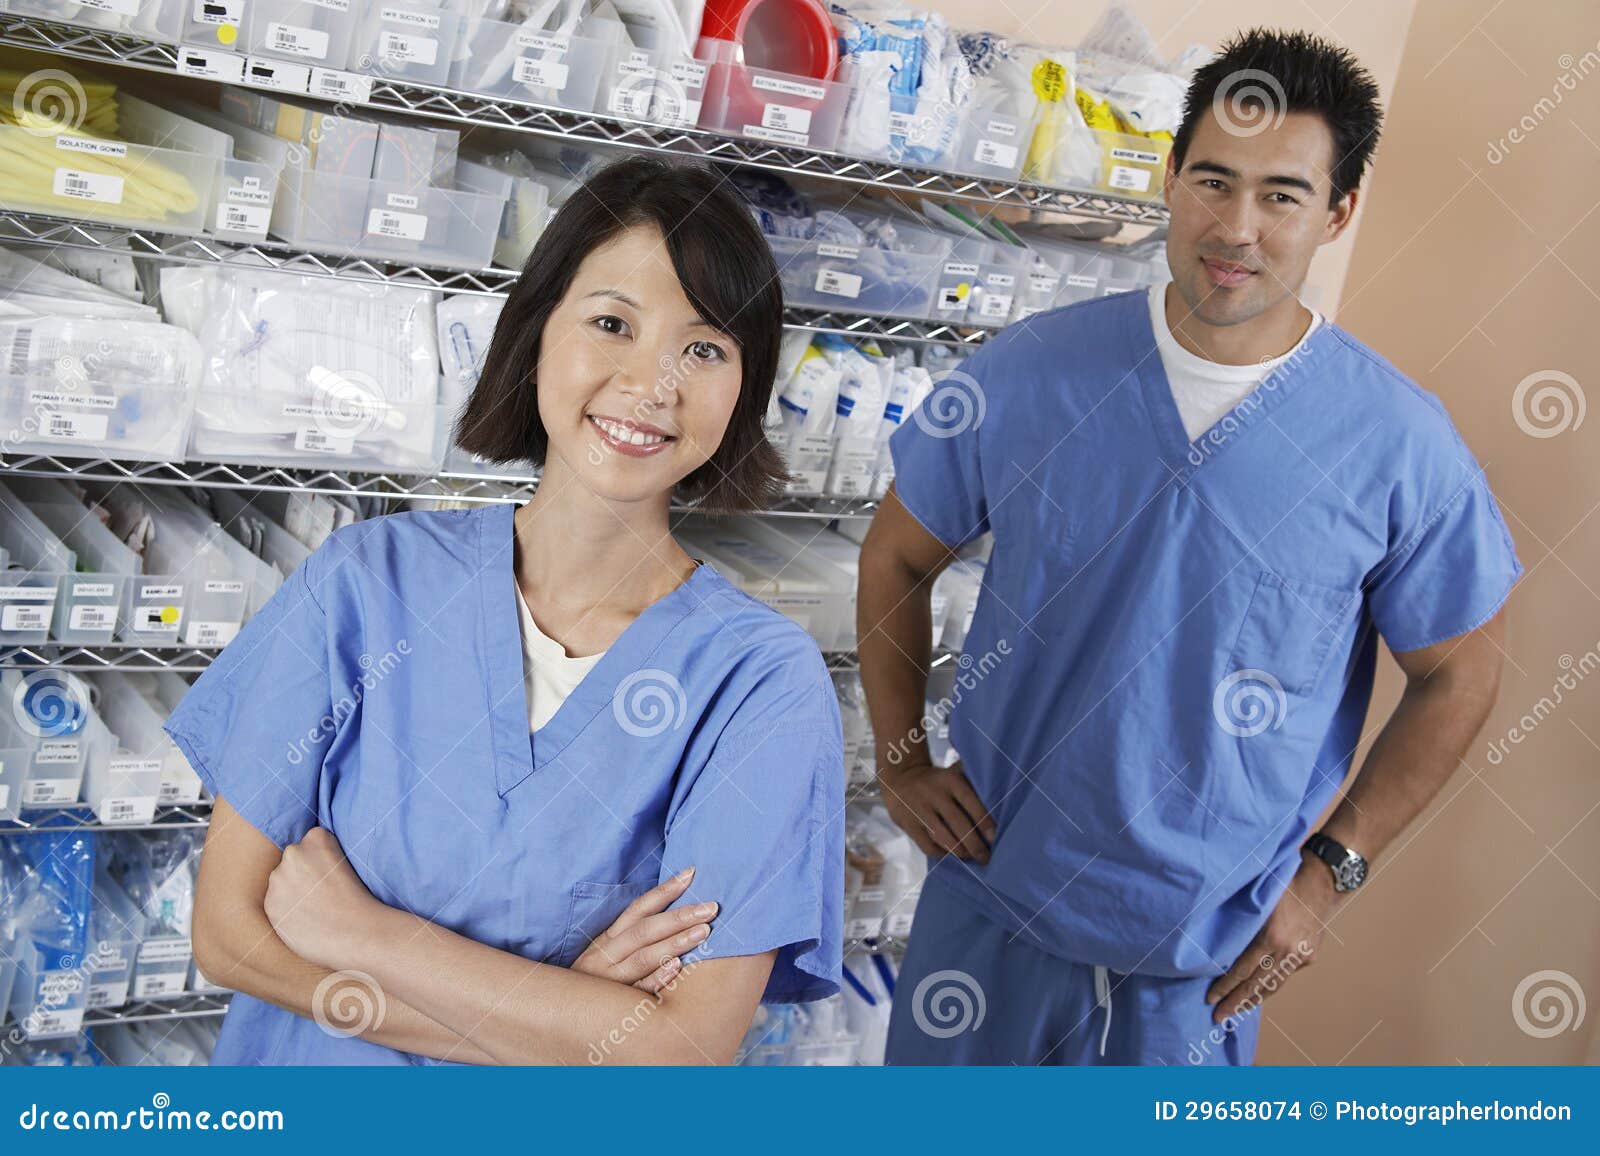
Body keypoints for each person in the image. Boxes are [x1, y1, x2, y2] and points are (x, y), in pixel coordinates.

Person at [858, 28, 1522, 1065]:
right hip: (988, 928)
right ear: (1170, 178)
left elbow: (1462, 672)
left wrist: (1325, 878)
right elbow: (896, 555)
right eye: (1212, 180)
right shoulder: (1028, 375)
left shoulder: (1397, 444)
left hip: (1193, 974)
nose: (1236, 228)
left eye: (1282, 196)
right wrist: (900, 761)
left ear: (1338, 212)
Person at [165, 156, 845, 1066]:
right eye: (612, 324)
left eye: (704, 348)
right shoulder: (368, 582)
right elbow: (231, 933)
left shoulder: (758, 683)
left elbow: (683, 1051)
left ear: (742, 388)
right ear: (537, 335)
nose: (653, 384)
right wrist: (572, 1015)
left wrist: (366, 937)